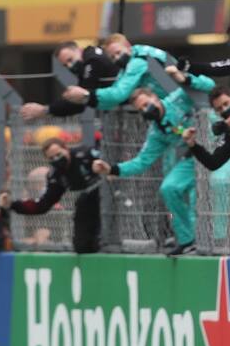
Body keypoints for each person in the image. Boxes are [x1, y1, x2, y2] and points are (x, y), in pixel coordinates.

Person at [91, 66, 215, 256]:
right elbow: (142, 161)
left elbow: (209, 85)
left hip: (216, 145)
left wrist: (185, 78)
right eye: (140, 109)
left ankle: (216, 240)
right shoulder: (157, 132)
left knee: (207, 193)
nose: (145, 110)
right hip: (193, 157)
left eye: (146, 104)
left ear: (155, 98)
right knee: (169, 188)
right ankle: (188, 240)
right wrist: (112, 169)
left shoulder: (178, 98)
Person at [0, 138, 105, 253]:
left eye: (58, 154)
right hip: (88, 203)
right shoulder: (57, 176)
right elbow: (42, 205)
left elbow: (110, 161)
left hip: (107, 193)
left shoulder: (85, 154)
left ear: (66, 149)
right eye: (51, 158)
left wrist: (108, 171)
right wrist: (12, 204)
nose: (56, 159)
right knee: (82, 245)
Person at [59, 34, 179, 111]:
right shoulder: (130, 62)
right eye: (112, 57)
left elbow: (119, 94)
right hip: (173, 104)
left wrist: (86, 94)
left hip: (181, 103)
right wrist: (87, 99)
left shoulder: (138, 61)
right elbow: (115, 95)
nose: (116, 58)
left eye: (118, 53)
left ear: (127, 46)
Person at [20, 42, 119, 121]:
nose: (70, 66)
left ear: (78, 50)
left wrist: (45, 110)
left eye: (70, 60)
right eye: (66, 65)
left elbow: (80, 99)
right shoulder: (90, 59)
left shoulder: (93, 60)